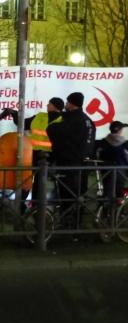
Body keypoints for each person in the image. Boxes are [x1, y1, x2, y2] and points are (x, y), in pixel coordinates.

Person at [46, 92, 96, 229]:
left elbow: (53, 130)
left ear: (71, 103)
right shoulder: (88, 120)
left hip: (69, 163)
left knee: (67, 195)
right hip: (84, 164)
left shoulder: (71, 120)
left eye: (67, 102)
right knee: (80, 194)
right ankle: (77, 223)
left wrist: (52, 119)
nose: (65, 105)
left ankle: (68, 223)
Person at [96, 121, 128, 212]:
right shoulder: (125, 144)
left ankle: (105, 211)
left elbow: (98, 156)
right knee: (119, 192)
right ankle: (120, 213)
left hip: (106, 172)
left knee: (107, 191)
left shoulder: (103, 142)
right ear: (120, 131)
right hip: (121, 172)